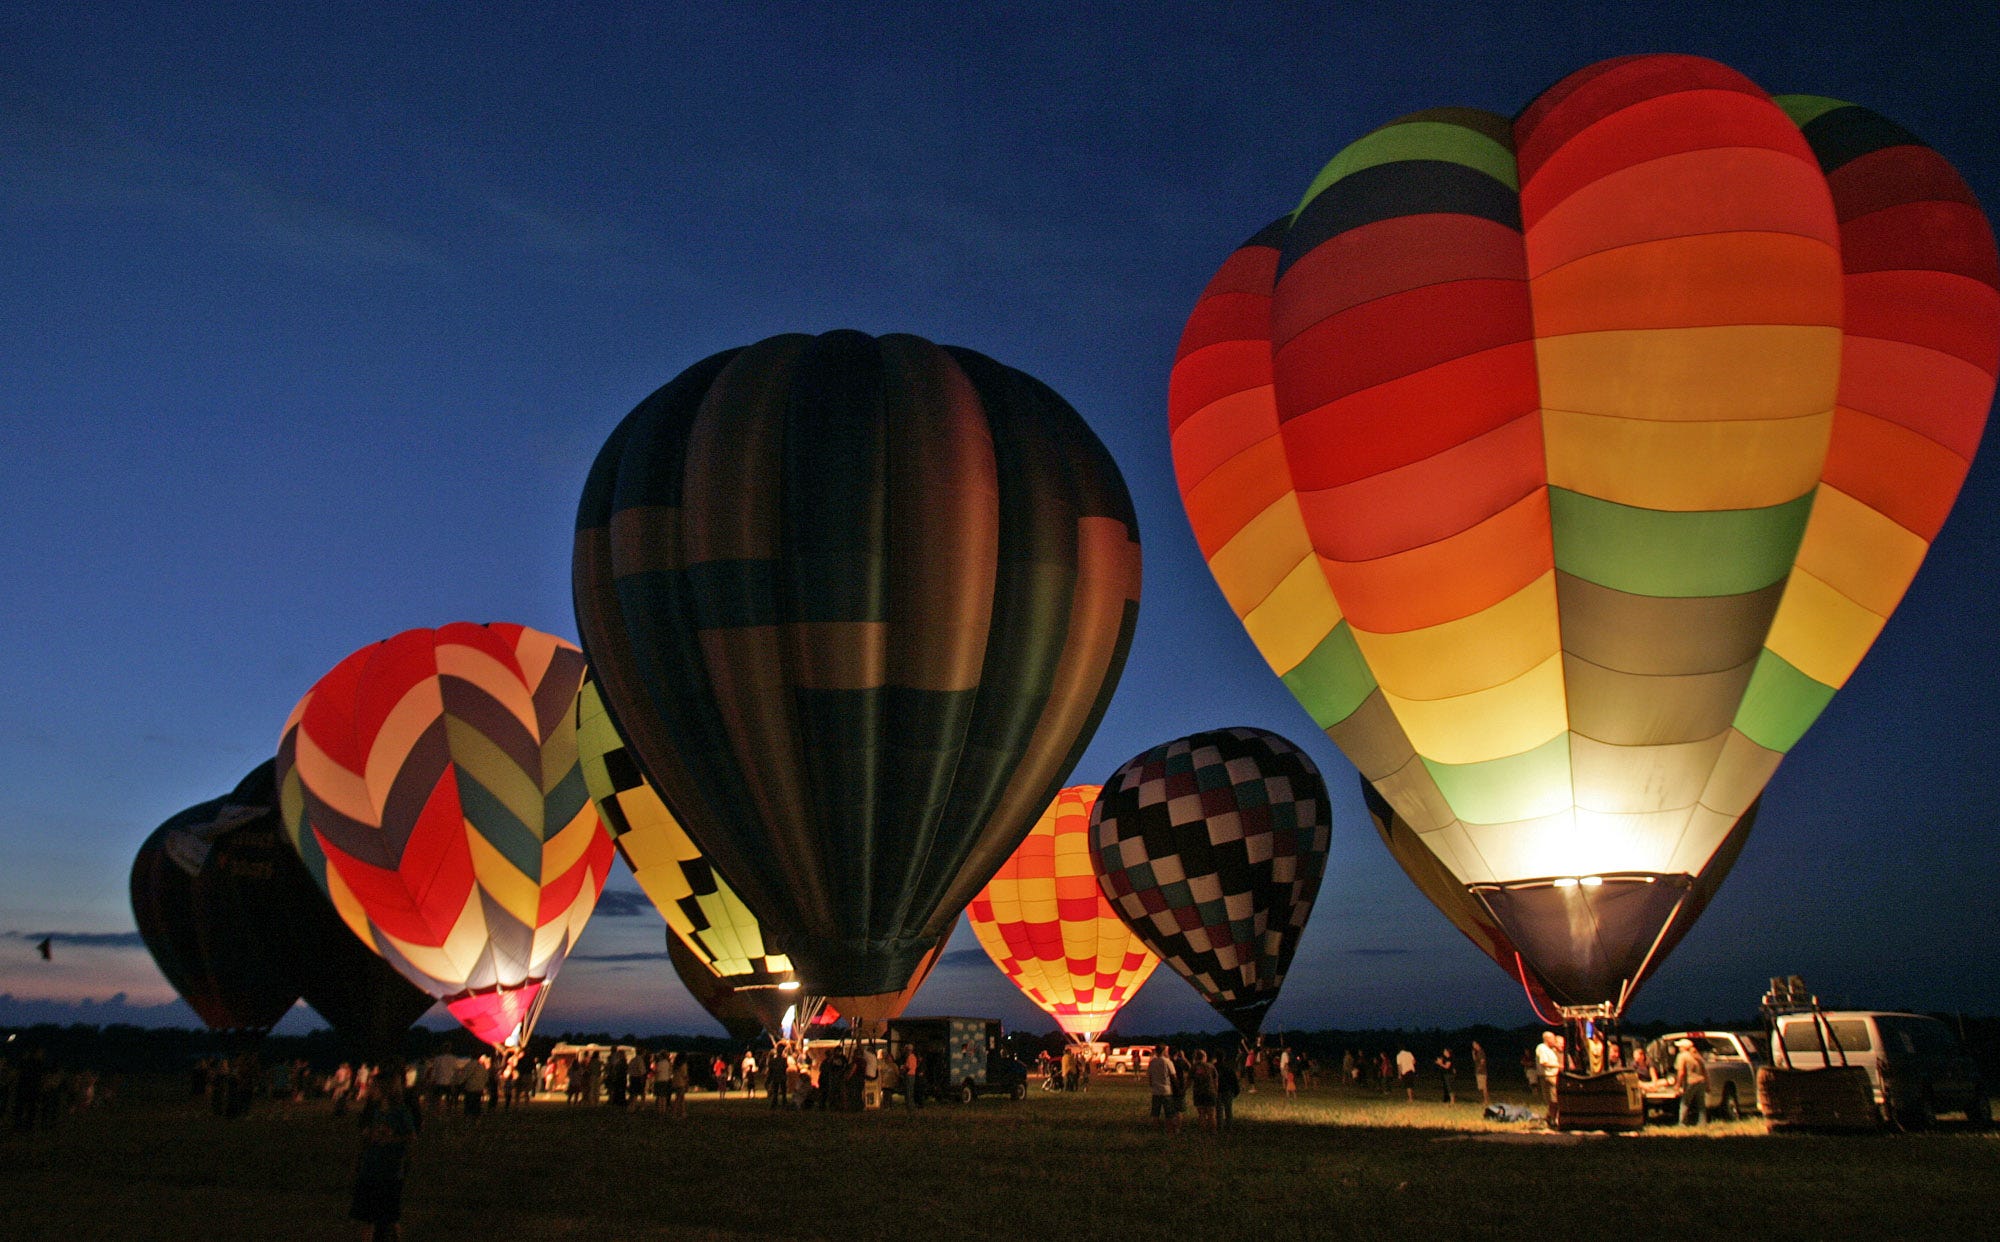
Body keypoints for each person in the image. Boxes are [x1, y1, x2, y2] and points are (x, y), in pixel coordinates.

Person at [350, 1067, 417, 1241]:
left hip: (389, 1170)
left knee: (389, 1217)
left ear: (385, 1090)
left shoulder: (400, 1113)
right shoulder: (377, 1112)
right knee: (368, 1218)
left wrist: (391, 1140)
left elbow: (411, 1136)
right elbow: (369, 1137)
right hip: (371, 1168)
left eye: (375, 1087)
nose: (371, 1090)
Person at [1673, 1038, 1708, 1127]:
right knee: (1701, 1104)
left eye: (1680, 1046)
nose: (1679, 1048)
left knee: (1685, 1103)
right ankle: (1702, 1123)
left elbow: (1681, 1072)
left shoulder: (1682, 1056)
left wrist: (1678, 1084)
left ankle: (1682, 1123)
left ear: (1684, 1047)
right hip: (1701, 1081)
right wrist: (1708, 1084)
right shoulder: (1697, 1056)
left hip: (1690, 1082)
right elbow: (1705, 1071)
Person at [1190, 1050, 1218, 1130]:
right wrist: (1216, 1091)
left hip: (1198, 1093)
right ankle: (1213, 1131)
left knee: (1201, 1114)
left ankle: (1203, 1131)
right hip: (1210, 1092)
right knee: (1211, 1114)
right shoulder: (1211, 1066)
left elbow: (1189, 1081)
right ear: (1204, 1057)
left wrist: (1183, 1090)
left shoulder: (1194, 1067)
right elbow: (1215, 1080)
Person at [1146, 1048, 1174, 1128]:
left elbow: (1150, 1075)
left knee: (1155, 1112)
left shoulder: (1152, 1062)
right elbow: (1173, 1075)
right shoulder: (1167, 1062)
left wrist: (1152, 1084)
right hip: (1166, 1090)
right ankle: (1169, 1128)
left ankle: (1155, 1127)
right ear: (1163, 1051)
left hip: (1156, 1090)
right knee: (1168, 1113)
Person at [1536, 1031, 1564, 1110]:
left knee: (1555, 1098)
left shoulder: (1549, 1049)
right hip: (1549, 1076)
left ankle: (1553, 1116)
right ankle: (1553, 1117)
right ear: (1548, 1039)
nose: (1554, 1040)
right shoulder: (1542, 1048)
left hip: (1553, 1075)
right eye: (1553, 1038)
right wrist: (1558, 1065)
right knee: (1554, 1098)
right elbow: (1544, 1062)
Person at [1215, 1050, 1239, 1133]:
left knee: (1218, 1111)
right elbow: (1234, 1080)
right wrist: (1236, 1091)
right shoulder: (1228, 1068)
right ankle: (1229, 1127)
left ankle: (1219, 1127)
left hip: (1217, 1091)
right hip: (1227, 1091)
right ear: (1224, 1057)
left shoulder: (1213, 1067)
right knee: (1228, 1110)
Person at [1471, 1040, 1490, 1106]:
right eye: (1472, 1045)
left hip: (1482, 1072)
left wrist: (1479, 1069)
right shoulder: (1477, 1052)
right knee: (1481, 1087)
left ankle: (1486, 1101)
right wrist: (1473, 1054)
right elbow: (1475, 1060)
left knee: (1484, 1087)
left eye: (1474, 1044)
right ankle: (1485, 1100)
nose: (1473, 1046)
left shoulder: (1481, 1052)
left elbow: (1482, 1062)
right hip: (1478, 1072)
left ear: (1478, 1044)